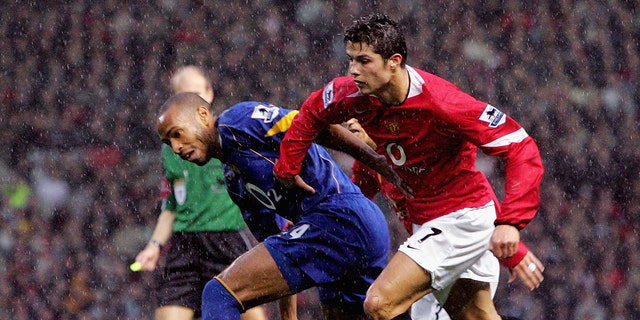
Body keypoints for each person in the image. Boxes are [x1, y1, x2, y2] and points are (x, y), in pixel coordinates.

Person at [274, 13, 544, 320]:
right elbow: (312, 113)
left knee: (378, 303)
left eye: (364, 61)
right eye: (350, 60)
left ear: (394, 61)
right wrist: (287, 169)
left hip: (462, 221)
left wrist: (511, 222)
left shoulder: (441, 103)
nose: (353, 70)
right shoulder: (357, 104)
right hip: (437, 227)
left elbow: (520, 145)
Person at [156, 93, 407, 320]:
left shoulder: (238, 121)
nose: (176, 148)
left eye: (177, 133)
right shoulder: (235, 183)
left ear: (203, 115)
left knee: (218, 294)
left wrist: (378, 162)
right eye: (169, 143)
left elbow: (312, 125)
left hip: (338, 217)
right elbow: (275, 245)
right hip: (348, 231)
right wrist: (288, 316)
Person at [345, 118, 545, 320]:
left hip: (458, 240)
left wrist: (511, 248)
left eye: (359, 119)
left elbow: (470, 190)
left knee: (379, 303)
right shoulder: (367, 162)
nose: (351, 123)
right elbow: (356, 202)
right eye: (348, 118)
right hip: (432, 250)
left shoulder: (409, 148)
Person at [134, 66, 267, 320]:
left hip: (227, 241)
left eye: (196, 93)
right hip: (185, 245)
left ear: (209, 94)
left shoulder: (230, 136)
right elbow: (171, 206)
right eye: (183, 96)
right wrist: (154, 245)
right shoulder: (171, 151)